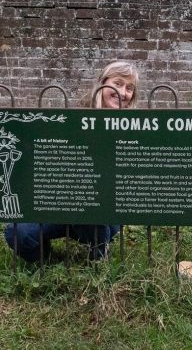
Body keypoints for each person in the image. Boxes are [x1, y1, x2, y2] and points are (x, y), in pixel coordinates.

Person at [4, 61, 139, 263]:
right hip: (61, 205)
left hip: (100, 215)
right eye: (118, 83)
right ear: (102, 84)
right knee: (18, 232)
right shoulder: (73, 121)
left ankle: (98, 258)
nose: (123, 92)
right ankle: (50, 262)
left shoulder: (136, 131)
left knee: (94, 211)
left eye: (129, 88)